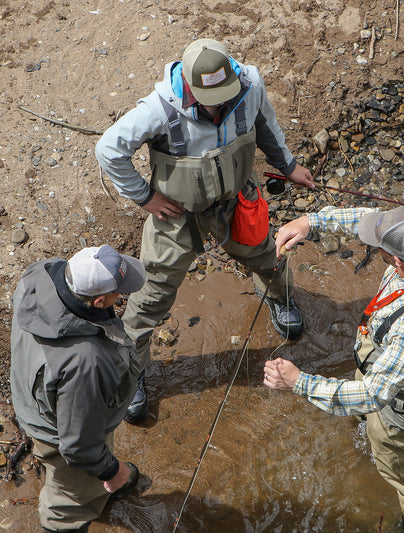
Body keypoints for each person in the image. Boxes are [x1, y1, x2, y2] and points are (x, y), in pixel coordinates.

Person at [95, 38, 315, 423]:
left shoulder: (250, 84)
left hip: (235, 203)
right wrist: (145, 198)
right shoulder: (158, 108)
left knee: (267, 255)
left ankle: (280, 299)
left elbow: (266, 124)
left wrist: (288, 165)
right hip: (175, 215)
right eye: (211, 98)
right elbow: (109, 150)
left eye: (225, 94)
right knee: (150, 293)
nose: (221, 103)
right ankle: (131, 373)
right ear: (191, 86)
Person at [264, 206, 404, 532]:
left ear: (397, 261)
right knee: (365, 412)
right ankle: (364, 429)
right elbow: (370, 217)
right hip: (400, 361)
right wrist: (309, 222)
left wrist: (299, 382)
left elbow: (374, 394)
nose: (374, 246)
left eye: (380, 248)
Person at [10, 245, 148, 533]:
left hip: (29, 394)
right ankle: (65, 522)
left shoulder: (43, 273)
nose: (122, 297)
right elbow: (79, 445)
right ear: (99, 302)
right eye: (118, 293)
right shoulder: (86, 361)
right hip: (55, 430)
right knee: (70, 499)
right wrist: (112, 471)